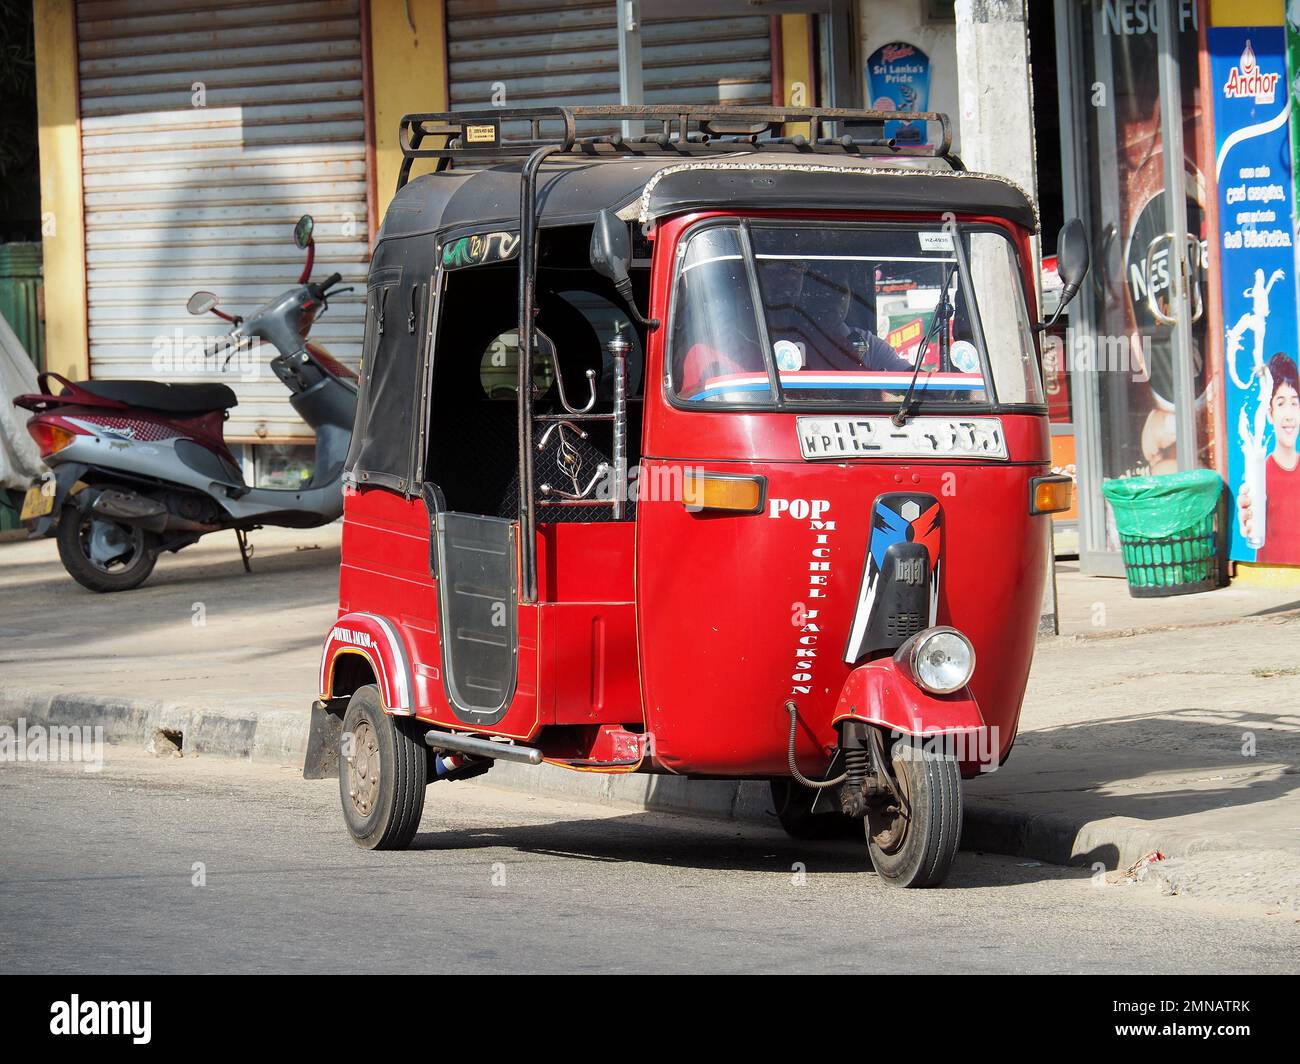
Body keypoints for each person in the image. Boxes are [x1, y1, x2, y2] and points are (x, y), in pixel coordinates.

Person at [763, 259, 914, 373]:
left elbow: (905, 376)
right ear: (805, 295)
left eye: (840, 290)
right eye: (822, 292)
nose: (832, 299)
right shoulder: (780, 338)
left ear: (850, 294)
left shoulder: (864, 345)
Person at [1238, 352, 1300, 562]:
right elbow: (1248, 525)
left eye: (1295, 402)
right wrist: (1244, 519)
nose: (1290, 415)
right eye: (1281, 403)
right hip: (1270, 586)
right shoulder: (1259, 474)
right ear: (1270, 413)